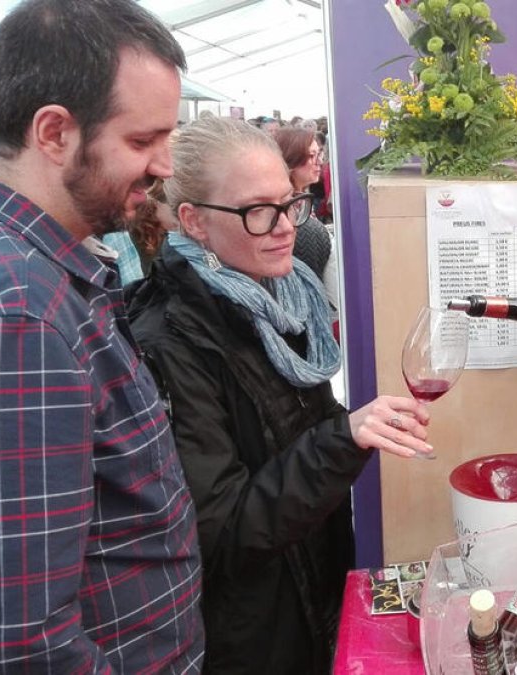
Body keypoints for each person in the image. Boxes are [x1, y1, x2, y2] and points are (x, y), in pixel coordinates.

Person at [0, 1, 205, 671]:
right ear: (54, 132)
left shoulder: (20, 262)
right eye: (142, 141)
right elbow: (16, 646)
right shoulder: (15, 313)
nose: (165, 164)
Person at [127, 114, 433, 674]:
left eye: (291, 203)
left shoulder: (283, 299)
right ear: (193, 221)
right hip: (252, 637)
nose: (286, 226)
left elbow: (292, 437)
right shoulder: (170, 342)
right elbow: (223, 530)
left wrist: (355, 429)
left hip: (308, 597)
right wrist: (343, 438)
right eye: (257, 211)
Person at [275, 126, 339, 308]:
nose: (319, 161)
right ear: (291, 160)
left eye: (319, 154)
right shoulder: (289, 213)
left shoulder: (301, 202)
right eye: (311, 156)